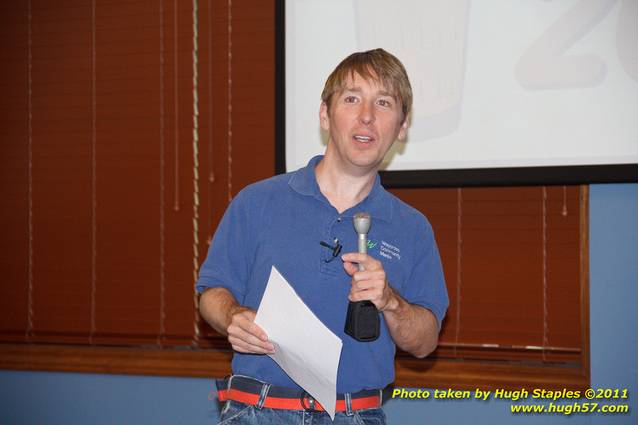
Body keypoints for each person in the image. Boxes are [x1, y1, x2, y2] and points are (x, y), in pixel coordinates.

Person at [197, 48, 448, 425]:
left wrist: (391, 302)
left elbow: (426, 342)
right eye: (351, 99)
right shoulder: (257, 202)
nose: (366, 116)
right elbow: (211, 293)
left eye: (383, 102)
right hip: (256, 412)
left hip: (356, 415)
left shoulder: (412, 228)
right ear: (325, 115)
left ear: (401, 127)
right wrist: (232, 315)